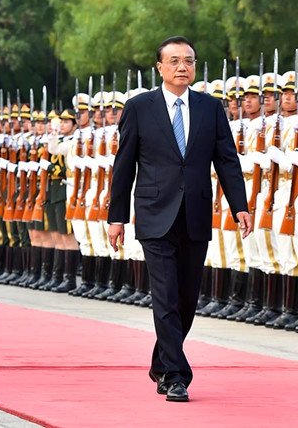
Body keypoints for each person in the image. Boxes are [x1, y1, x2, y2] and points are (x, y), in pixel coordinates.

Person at [107, 36, 251, 403]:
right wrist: (116, 217)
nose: (182, 67)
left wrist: (240, 206)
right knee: (166, 295)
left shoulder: (210, 108)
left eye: (188, 60)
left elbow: (227, 160)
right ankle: (176, 375)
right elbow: (124, 166)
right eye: (173, 61)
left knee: (187, 298)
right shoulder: (139, 107)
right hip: (155, 214)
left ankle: (161, 362)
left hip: (196, 214)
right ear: (159, 67)